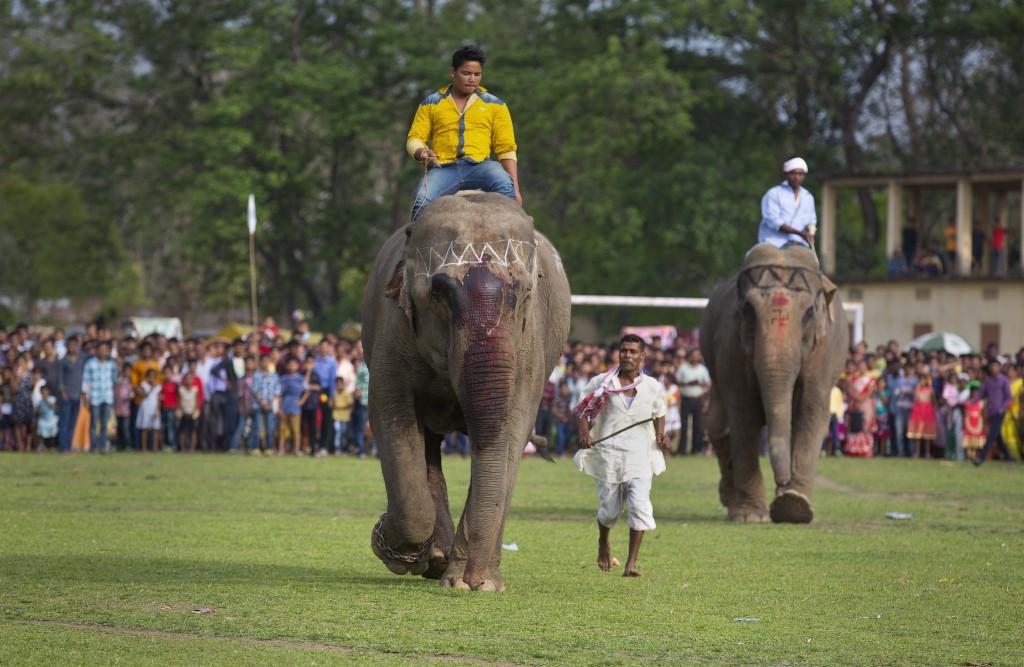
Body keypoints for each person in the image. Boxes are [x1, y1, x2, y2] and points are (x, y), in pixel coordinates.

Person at [575, 334, 669, 577]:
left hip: (640, 456)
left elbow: (660, 412)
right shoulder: (603, 382)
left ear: (643, 356)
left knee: (639, 506)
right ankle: (603, 541)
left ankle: (631, 563)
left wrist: (661, 436)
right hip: (610, 456)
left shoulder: (651, 386)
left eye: (633, 351)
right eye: (624, 351)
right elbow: (583, 410)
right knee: (609, 511)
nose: (628, 355)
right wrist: (584, 434)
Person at [406, 45, 521, 221]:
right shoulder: (431, 103)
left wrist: (516, 190)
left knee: (506, 188)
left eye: (477, 74)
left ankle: (516, 244)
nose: (472, 79)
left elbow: (506, 149)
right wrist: (423, 153)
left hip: (482, 167)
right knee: (421, 201)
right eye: (466, 73)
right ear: (453, 72)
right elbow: (414, 138)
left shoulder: (496, 105)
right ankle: (412, 244)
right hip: (443, 168)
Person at [758, 157, 816, 250]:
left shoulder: (808, 197)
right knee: (754, 258)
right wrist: (800, 233)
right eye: (793, 173)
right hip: (773, 242)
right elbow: (773, 221)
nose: (797, 177)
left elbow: (812, 221)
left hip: (799, 243)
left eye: (800, 174)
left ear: (804, 176)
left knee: (815, 263)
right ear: (786, 174)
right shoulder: (773, 193)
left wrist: (811, 232)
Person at [973, 360, 1014, 465]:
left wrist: (1002, 408)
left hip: (999, 412)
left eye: (995, 366)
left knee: (991, 435)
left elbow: (1008, 397)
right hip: (991, 412)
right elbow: (981, 394)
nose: (993, 369)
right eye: (992, 367)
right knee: (997, 436)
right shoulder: (988, 381)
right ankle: (1008, 457)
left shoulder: (1004, 381)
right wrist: (973, 401)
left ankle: (980, 458)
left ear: (999, 368)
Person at [82, 340, 118, 454]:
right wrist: (85, 397)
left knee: (105, 423)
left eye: (105, 350)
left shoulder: (111, 365)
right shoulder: (90, 363)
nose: (103, 351)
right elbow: (85, 381)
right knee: (93, 423)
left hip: (107, 397)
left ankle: (103, 446)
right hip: (95, 397)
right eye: (101, 349)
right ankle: (94, 447)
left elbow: (115, 380)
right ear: (97, 350)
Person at [674, 349, 709, 455]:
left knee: (697, 425)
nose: (696, 357)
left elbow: (707, 383)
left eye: (698, 355)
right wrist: (689, 383)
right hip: (686, 399)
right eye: (693, 355)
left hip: (698, 399)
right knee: (684, 425)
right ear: (689, 356)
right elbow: (677, 382)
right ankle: (682, 450)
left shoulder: (702, 369)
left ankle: (696, 449)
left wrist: (702, 384)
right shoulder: (683, 368)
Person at [249, 354, 280, 455]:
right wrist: (262, 403)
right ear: (260, 363)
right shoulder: (256, 375)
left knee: (270, 428)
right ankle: (256, 448)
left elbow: (277, 391)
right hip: (258, 405)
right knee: (257, 427)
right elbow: (254, 390)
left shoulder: (274, 376)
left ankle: (269, 448)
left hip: (270, 406)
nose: (265, 363)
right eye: (263, 361)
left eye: (267, 361)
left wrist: (270, 403)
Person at [844, 361, 875, 457]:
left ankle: (865, 449)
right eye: (860, 366)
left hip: (866, 404)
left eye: (863, 366)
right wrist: (856, 397)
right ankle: (853, 449)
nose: (861, 368)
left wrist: (861, 398)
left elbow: (870, 391)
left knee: (865, 425)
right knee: (854, 425)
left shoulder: (870, 380)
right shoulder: (852, 379)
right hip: (854, 403)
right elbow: (849, 389)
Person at [907, 371, 938, 458]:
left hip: (928, 411)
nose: (922, 381)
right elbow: (915, 399)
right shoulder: (917, 389)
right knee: (918, 434)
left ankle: (927, 453)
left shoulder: (930, 389)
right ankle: (917, 452)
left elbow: (933, 401)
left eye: (924, 380)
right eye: (921, 380)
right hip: (918, 411)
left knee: (927, 434)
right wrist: (917, 388)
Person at [279, 357, 304, 455]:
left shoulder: (300, 378)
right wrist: (280, 407)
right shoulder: (284, 378)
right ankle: (281, 449)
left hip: (295, 405)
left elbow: (307, 390)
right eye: (290, 364)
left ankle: (296, 449)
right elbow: (280, 394)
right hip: (285, 403)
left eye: (294, 364)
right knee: (282, 429)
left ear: (298, 366)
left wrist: (301, 401)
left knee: (296, 430)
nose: (292, 367)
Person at [136, 368, 162, 452]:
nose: (151, 378)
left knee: (155, 428)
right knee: (145, 428)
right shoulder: (143, 384)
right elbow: (143, 395)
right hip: (145, 408)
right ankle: (144, 448)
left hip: (154, 408)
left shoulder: (158, 386)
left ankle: (155, 447)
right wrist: (151, 388)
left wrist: (157, 410)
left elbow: (158, 399)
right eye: (150, 376)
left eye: (153, 376)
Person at [177, 370, 201, 453]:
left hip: (193, 413)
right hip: (183, 413)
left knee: (193, 431)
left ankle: (192, 448)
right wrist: (183, 411)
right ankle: (182, 448)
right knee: (182, 431)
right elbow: (179, 402)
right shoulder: (181, 390)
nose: (188, 380)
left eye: (190, 379)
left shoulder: (195, 389)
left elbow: (197, 402)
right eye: (187, 379)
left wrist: (194, 411)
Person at [962, 382, 986, 460]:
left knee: (977, 440)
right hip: (969, 421)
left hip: (978, 422)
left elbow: (983, 413)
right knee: (969, 439)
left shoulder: (981, 402)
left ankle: (976, 456)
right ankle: (969, 456)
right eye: (973, 391)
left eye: (976, 391)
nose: (975, 393)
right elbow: (965, 412)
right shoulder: (967, 402)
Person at [35, 383, 59, 451]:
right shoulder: (39, 401)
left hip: (51, 419)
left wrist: (46, 400)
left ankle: (52, 446)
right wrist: (39, 411)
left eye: (45, 390)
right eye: (42, 391)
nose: (44, 392)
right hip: (43, 419)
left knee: (52, 432)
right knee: (41, 429)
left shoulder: (52, 399)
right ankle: (43, 446)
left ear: (48, 391)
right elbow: (37, 410)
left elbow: (53, 407)